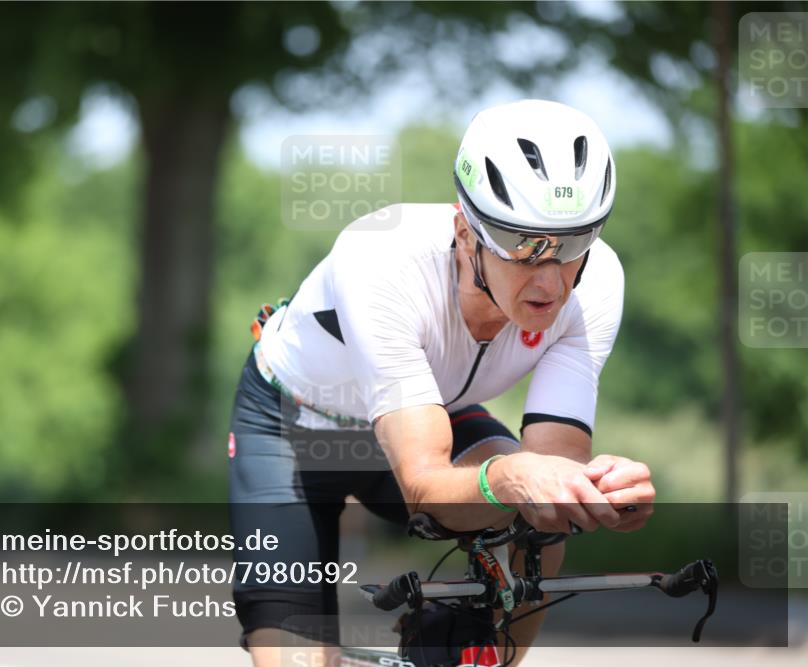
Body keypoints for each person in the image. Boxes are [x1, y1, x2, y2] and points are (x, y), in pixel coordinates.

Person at [228, 99, 655, 667]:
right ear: (466, 233)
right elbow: (423, 485)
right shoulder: (382, 257)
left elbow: (552, 473)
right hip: (292, 428)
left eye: (575, 243)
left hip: (433, 416)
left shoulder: (597, 282)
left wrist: (596, 494)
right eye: (524, 247)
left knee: (539, 514)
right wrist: (509, 478)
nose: (551, 283)